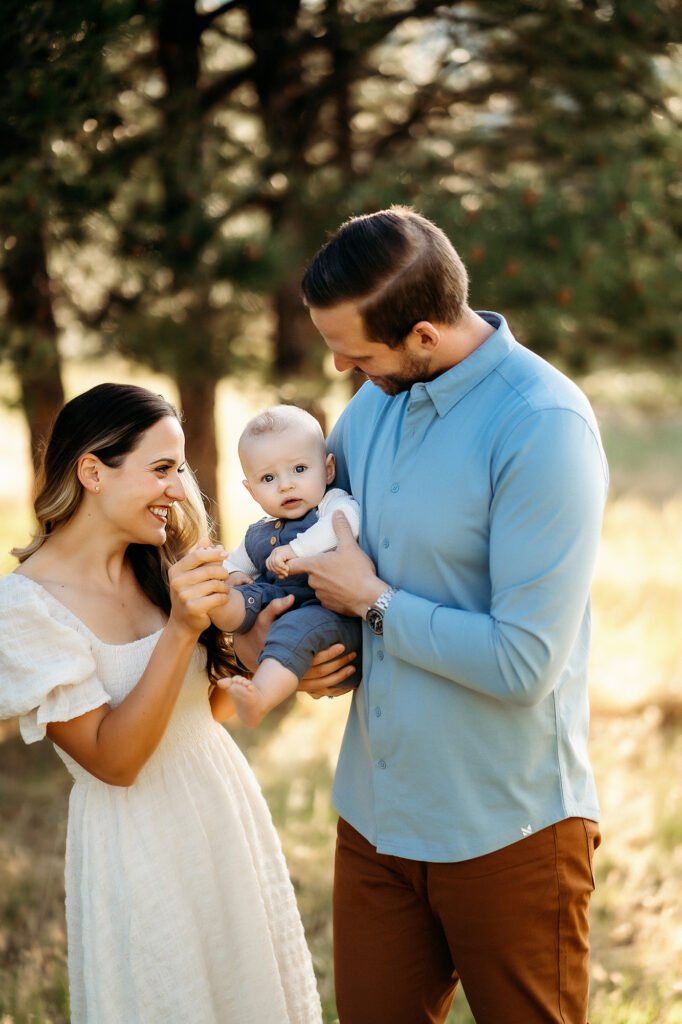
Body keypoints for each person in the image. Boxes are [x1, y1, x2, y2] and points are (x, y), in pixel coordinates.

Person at [284, 206, 609, 1024]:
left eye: (355, 352)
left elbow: (524, 664)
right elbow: (331, 548)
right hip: (377, 816)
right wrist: (328, 648)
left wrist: (376, 603)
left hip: (508, 828)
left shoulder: (542, 425)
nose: (338, 367)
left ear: (423, 336)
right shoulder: (372, 407)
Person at [0, 383, 354, 1024]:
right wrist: (182, 628)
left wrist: (276, 670)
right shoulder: (25, 609)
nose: (178, 487)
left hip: (223, 810)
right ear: (92, 472)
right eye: (161, 468)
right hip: (139, 846)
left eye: (180, 468)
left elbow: (200, 712)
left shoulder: (160, 563)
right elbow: (116, 761)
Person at [211, 404, 361, 727]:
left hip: (325, 613)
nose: (285, 485)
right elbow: (236, 562)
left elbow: (348, 520)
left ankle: (260, 697)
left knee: (295, 629)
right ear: (251, 491)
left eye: (299, 469)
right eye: (268, 478)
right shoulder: (260, 532)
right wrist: (233, 576)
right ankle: (217, 613)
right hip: (279, 608)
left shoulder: (330, 504)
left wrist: (297, 549)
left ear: (328, 469)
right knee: (243, 593)